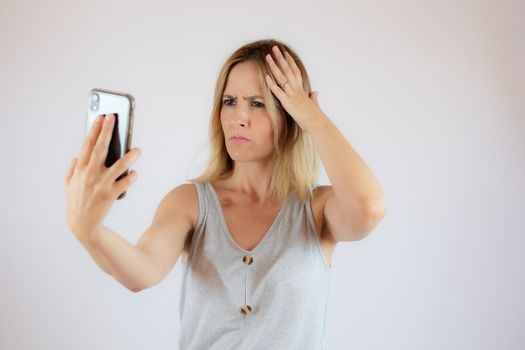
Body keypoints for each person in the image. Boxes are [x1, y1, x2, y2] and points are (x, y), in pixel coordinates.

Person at [63, 38, 386, 349]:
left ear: (289, 115)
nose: (238, 118)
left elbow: (368, 208)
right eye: (229, 101)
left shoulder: (317, 209)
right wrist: (89, 231)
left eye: (257, 104)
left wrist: (313, 118)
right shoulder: (190, 202)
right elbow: (142, 270)